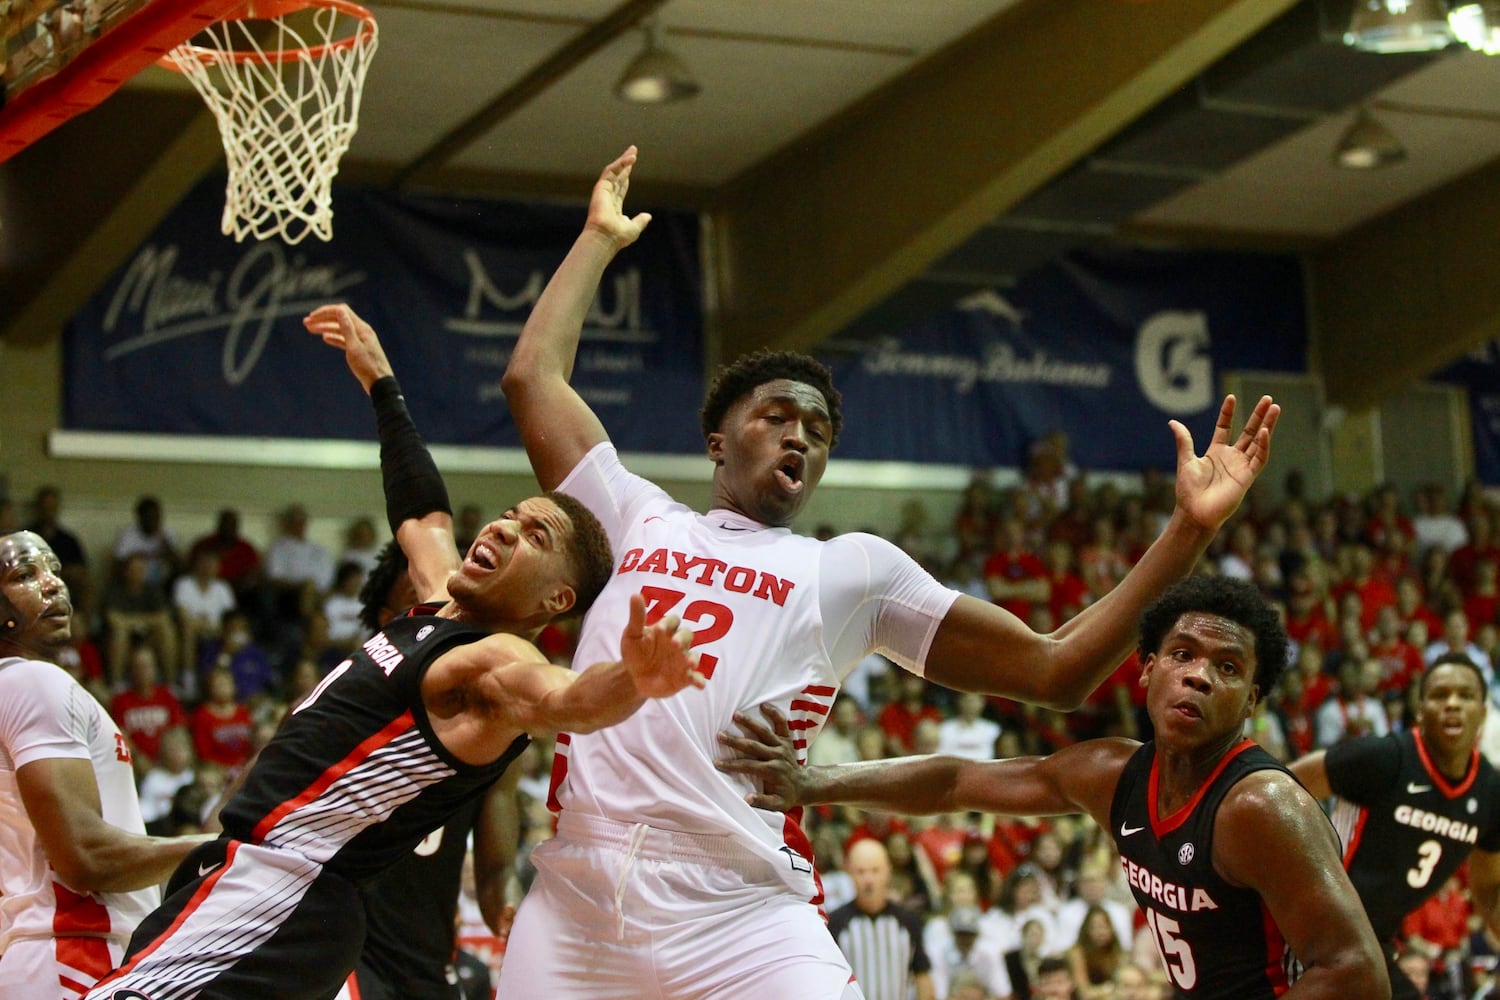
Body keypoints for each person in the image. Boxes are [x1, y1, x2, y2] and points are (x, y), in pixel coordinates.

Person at [442, 145, 1280, 999]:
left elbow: (1054, 670)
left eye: (818, 430)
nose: (800, 435)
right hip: (582, 895)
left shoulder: (852, 571)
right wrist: (596, 239)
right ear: (718, 442)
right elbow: (531, 376)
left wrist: (1184, 531)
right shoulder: (635, 516)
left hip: (741, 907)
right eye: (775, 416)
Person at [84, 316, 709, 1000]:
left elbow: (564, 700)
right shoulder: (443, 604)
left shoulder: (492, 662)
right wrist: (382, 383)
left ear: (555, 599)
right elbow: (422, 514)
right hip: (259, 882)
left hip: (284, 886)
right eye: (509, 513)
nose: (502, 527)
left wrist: (634, 681)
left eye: (534, 534)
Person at [720, 576, 1389, 999]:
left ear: (1252, 702)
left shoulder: (1260, 806)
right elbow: (957, 782)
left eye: (1228, 666)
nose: (1200, 676)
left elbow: (1354, 973)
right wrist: (814, 781)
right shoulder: (1110, 775)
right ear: (1147, 670)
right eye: (1183, 654)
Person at [0, 531, 211, 999]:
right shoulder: (32, 682)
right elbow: (85, 856)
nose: (52, 584)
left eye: (54, 569)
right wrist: (215, 849)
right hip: (72, 951)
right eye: (24, 575)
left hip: (52, 954)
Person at [339, 540, 523, 1000]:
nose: (446, 617)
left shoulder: (491, 733)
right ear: (388, 622)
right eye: (425, 604)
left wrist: (514, 914)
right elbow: (230, 823)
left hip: (427, 967)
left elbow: (497, 870)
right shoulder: (344, 706)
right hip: (345, 960)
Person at [1289, 653, 1500, 1000]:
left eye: (1465, 696)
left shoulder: (1490, 793)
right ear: (1420, 710)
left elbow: (1489, 890)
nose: (1452, 704)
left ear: (1483, 712)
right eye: (1440, 695)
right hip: (1311, 932)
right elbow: (1277, 787)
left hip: (1374, 943)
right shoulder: (1384, 758)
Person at [829, 838, 935, 1000]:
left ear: (888, 871)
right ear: (849, 872)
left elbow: (922, 977)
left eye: (875, 870)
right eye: (861, 872)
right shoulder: (835, 923)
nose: (868, 880)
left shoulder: (908, 921)